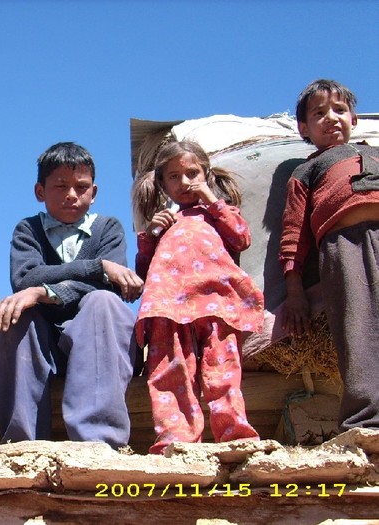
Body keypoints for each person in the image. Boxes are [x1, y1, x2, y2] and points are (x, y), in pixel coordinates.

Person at [0, 142, 143, 449]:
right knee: (18, 313)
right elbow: (25, 278)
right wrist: (97, 267)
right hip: (45, 350)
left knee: (102, 302)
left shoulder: (108, 228)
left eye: (81, 187)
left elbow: (112, 288)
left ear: (93, 193)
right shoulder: (28, 230)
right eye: (60, 186)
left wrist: (44, 292)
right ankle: (23, 445)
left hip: (100, 350)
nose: (71, 194)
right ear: (40, 191)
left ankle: (100, 442)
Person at [133, 140, 263, 454]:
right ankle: (175, 440)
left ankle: (235, 437)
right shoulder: (165, 222)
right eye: (174, 176)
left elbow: (241, 238)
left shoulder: (218, 214)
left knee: (223, 370)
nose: (184, 182)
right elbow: (145, 270)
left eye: (192, 173)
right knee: (170, 371)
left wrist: (212, 201)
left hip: (215, 301)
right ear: (163, 184)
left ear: (206, 174)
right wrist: (150, 234)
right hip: (167, 305)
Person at [280, 79, 379, 431]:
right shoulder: (305, 170)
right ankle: (366, 419)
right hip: (343, 247)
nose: (331, 118)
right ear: (303, 128)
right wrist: (294, 291)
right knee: (357, 326)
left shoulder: (375, 153)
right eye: (319, 113)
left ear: (354, 118)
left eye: (339, 110)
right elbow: (293, 233)